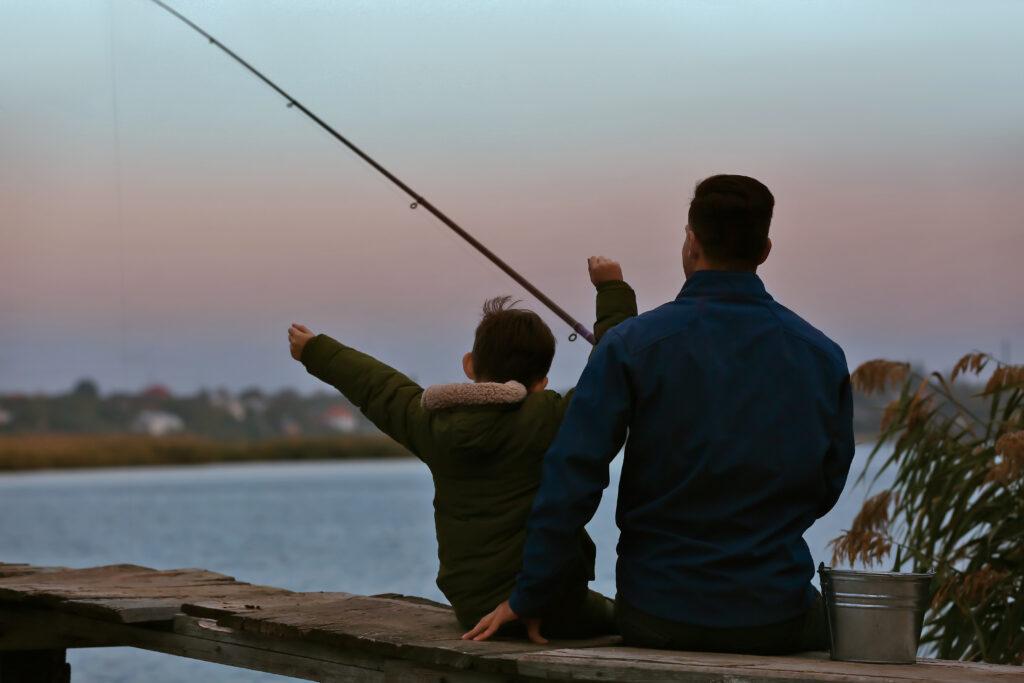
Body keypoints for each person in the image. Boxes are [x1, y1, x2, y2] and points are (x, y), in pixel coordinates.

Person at [465, 175, 855, 654]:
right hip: (774, 613)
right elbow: (828, 480)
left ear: (691, 243)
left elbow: (573, 476)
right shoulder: (821, 355)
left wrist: (530, 594)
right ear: (766, 249)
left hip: (656, 614)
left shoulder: (631, 346)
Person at [287, 257, 636, 640]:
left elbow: (379, 387)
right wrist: (611, 290)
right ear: (543, 380)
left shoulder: (434, 424)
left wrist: (315, 350)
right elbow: (607, 376)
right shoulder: (550, 418)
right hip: (552, 604)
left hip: (473, 609)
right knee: (626, 620)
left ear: (470, 364)